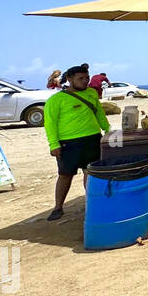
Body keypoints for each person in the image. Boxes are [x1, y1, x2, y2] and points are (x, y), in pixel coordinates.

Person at [43, 64, 111, 221]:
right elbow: (50, 124)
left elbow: (99, 113)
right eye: (80, 78)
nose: (85, 81)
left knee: (91, 173)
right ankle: (58, 207)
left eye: (87, 78)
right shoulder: (56, 100)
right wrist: (54, 145)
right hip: (68, 143)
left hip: (93, 139)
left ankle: (92, 204)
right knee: (65, 175)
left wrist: (107, 131)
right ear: (69, 79)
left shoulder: (92, 93)